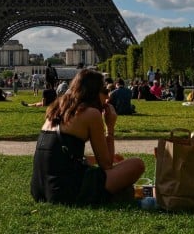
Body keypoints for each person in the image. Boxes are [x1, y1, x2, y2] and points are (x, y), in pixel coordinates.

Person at [30, 69, 145, 206]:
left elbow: (60, 154)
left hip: (40, 189)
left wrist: (93, 159)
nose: (108, 98)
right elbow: (106, 165)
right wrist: (110, 127)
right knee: (137, 164)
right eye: (105, 91)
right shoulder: (91, 114)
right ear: (94, 92)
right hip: (65, 192)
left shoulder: (58, 108)